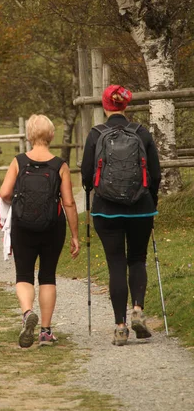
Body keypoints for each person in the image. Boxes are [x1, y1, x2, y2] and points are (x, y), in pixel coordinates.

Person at [81, 85, 161, 346]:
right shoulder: (142, 132)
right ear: (126, 106)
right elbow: (156, 174)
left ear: (105, 106)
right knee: (137, 259)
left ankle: (120, 327)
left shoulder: (96, 134)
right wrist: (151, 200)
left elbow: (86, 176)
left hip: (107, 210)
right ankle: (137, 308)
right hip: (141, 207)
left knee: (116, 263)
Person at [0, 114, 80, 348]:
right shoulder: (60, 165)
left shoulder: (18, 161)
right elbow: (69, 203)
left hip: (23, 225)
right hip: (52, 226)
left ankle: (27, 314)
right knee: (47, 275)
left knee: (23, 274)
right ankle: (45, 331)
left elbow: (4, 193)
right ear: (51, 135)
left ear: (29, 135)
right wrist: (74, 235)